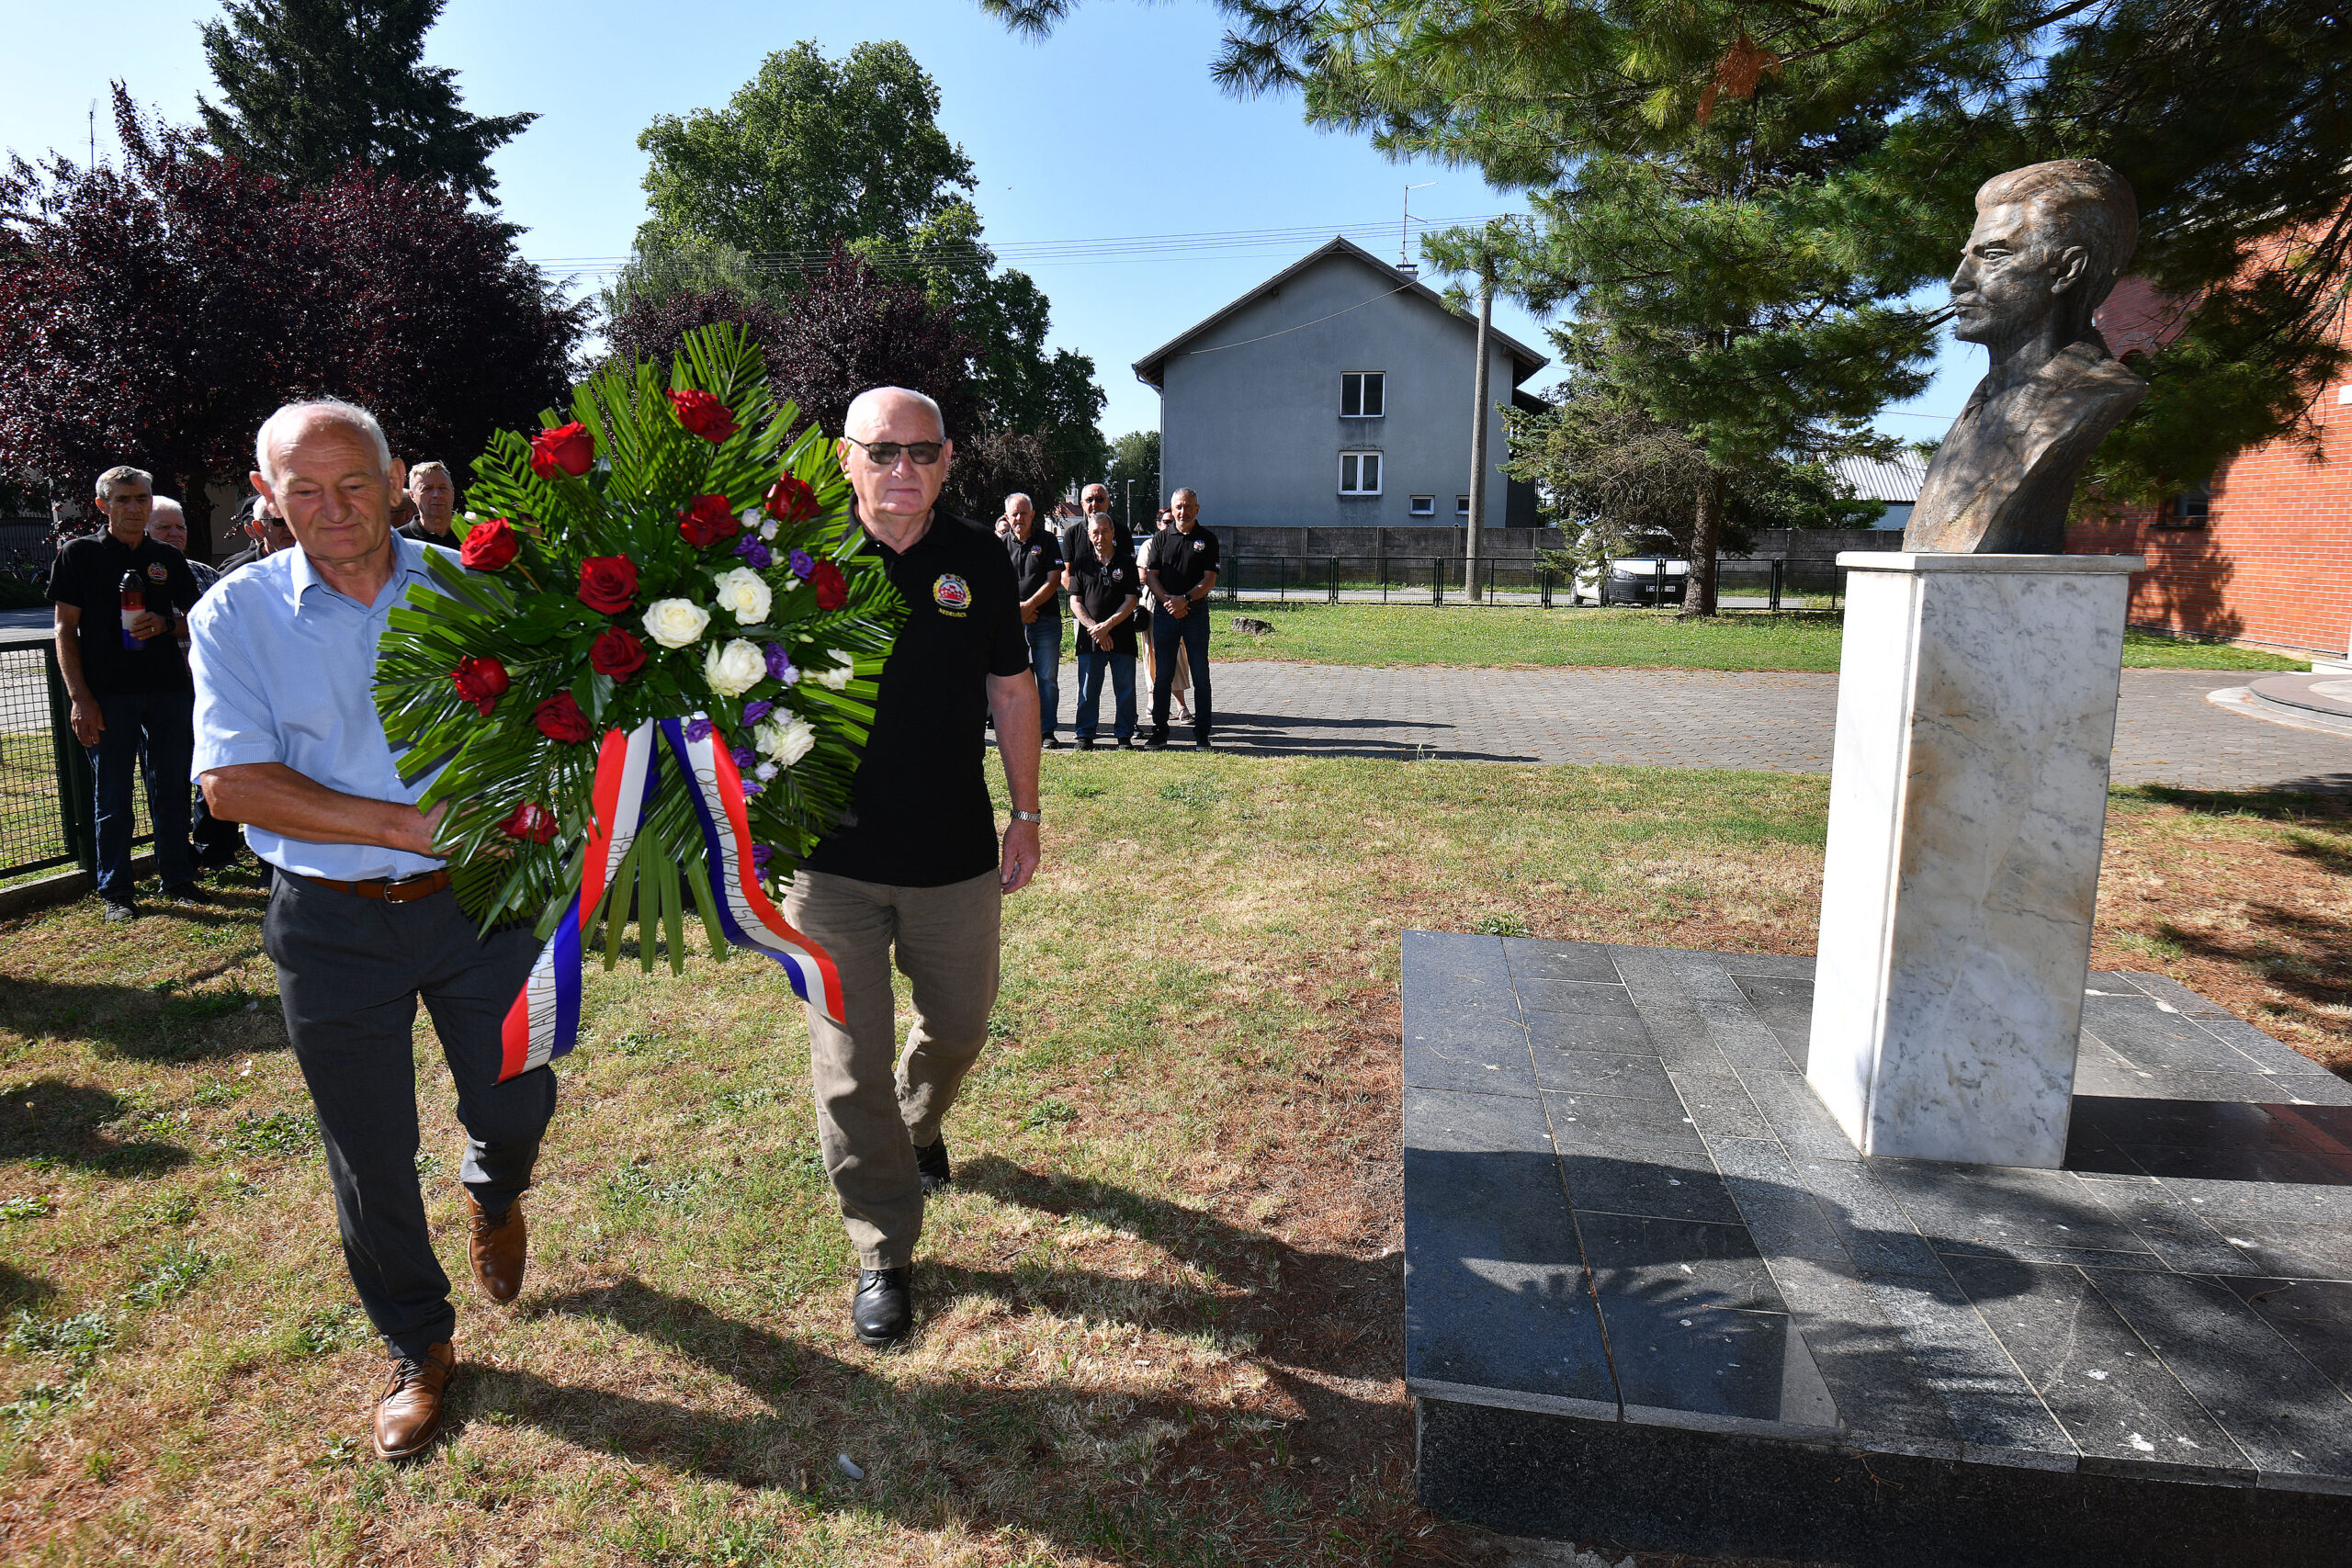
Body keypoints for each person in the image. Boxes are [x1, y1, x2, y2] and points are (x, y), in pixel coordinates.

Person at [190, 399, 555, 1461]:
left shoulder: (469, 587)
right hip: (329, 921)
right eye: (302, 489)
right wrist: (401, 824)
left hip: (480, 901)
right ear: (266, 497)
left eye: (353, 483)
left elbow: (550, 721)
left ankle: (495, 1187)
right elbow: (230, 785)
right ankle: (419, 1344)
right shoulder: (235, 615)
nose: (332, 508)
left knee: (517, 1090)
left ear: (396, 481)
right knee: (369, 1149)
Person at [784, 386, 1042, 1348]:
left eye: (922, 452)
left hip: (953, 856)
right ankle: (883, 1251)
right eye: (882, 451)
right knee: (848, 1066)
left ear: (947, 460)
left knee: (961, 1030)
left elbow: (1009, 688)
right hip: (828, 865)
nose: (903, 469)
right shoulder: (789, 558)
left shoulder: (978, 556)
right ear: (844, 457)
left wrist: (1025, 811)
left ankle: (920, 1123)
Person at [46, 466, 204, 920]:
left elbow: (198, 619)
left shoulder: (166, 558)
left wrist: (167, 625)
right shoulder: (79, 554)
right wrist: (81, 699)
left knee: (171, 786)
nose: (135, 508)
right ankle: (115, 890)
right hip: (108, 694)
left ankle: (178, 877)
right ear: (102, 505)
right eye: (123, 500)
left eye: (142, 499)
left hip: (168, 688)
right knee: (112, 792)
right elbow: (64, 629)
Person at [1143, 489, 1219, 750]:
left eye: (1187, 506)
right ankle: (1160, 732)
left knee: (1200, 674)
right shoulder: (1160, 538)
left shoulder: (1207, 539)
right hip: (1166, 614)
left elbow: (1209, 579)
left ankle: (1202, 735)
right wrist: (1169, 601)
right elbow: (1151, 576)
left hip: (1195, 614)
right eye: (1177, 507)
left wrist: (1184, 600)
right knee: (1162, 674)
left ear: (1197, 508)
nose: (1182, 512)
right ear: (1171, 509)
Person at [1065, 513, 1141, 750]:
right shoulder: (1081, 563)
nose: (1100, 537)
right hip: (1090, 639)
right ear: (1089, 535)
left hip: (1122, 636)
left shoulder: (1127, 562)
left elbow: (1131, 600)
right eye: (1095, 532)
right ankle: (1085, 735)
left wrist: (1107, 627)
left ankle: (1124, 736)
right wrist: (1094, 629)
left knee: (1126, 688)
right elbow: (1075, 601)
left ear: (1113, 533)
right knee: (1088, 689)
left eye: (1104, 531)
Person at [1002, 492, 1066, 749]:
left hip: (1046, 621)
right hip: (1012, 624)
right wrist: (1016, 610)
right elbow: (995, 584)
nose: (1019, 518)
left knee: (1047, 678)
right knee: (1017, 678)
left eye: (1023, 513)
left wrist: (1029, 606)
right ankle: (1022, 730)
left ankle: (1047, 731)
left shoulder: (1048, 541)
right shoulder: (1000, 545)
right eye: (1014, 514)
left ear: (1033, 515)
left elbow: (1054, 580)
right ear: (1007, 517)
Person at [145, 498, 220, 596]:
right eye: (164, 527)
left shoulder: (207, 574)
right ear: (143, 531)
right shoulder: (132, 576)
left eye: (180, 527)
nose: (175, 533)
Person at [216, 496, 294, 572]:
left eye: (295, 520)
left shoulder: (304, 565)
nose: (290, 528)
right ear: (258, 528)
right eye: (279, 521)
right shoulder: (237, 574)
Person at [1058, 482, 1129, 566]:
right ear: (1083, 504)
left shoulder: (1123, 532)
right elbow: (1067, 573)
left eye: (1100, 499)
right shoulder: (1072, 534)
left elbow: (1129, 568)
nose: (1094, 504)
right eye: (1089, 500)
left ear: (1108, 502)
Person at [397, 461, 458, 544]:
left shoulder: (474, 534)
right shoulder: (399, 541)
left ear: (453, 493)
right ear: (412, 496)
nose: (437, 495)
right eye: (427, 489)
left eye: (443, 488)